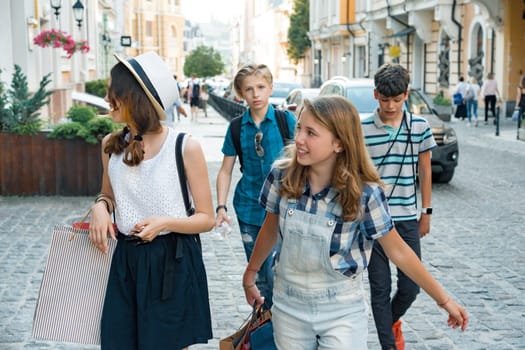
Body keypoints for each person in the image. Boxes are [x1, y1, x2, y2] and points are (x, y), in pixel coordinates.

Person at [242, 95, 468, 349]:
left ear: (339, 143)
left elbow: (398, 251)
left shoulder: (364, 193)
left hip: (341, 310)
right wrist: (251, 273)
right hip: (289, 305)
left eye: (311, 133)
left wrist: (443, 300)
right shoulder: (282, 176)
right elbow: (270, 228)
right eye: (299, 129)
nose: (299, 139)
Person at [89, 52, 215, 349]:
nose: (108, 97)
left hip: (171, 261)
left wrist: (165, 223)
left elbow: (207, 218)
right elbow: (107, 195)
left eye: (114, 90)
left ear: (133, 97)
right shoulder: (110, 145)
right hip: (125, 261)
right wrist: (100, 207)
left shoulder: (184, 146)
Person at [361, 63, 436, 350]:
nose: (390, 106)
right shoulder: (362, 128)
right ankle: (388, 345)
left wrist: (426, 213)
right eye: (384, 99)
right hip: (373, 222)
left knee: (410, 286)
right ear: (376, 94)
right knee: (379, 289)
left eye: (396, 99)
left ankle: (390, 322)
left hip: (406, 218)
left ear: (406, 94)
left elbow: (425, 171)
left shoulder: (419, 127)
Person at [215, 63, 296, 308]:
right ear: (240, 94)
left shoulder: (286, 120)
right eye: (249, 89)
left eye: (261, 87)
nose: (256, 94)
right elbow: (225, 170)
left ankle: (282, 327)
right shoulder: (237, 127)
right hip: (249, 208)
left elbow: (304, 160)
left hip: (284, 208)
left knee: (281, 271)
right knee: (259, 274)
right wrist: (221, 207)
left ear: (270, 88)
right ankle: (265, 329)